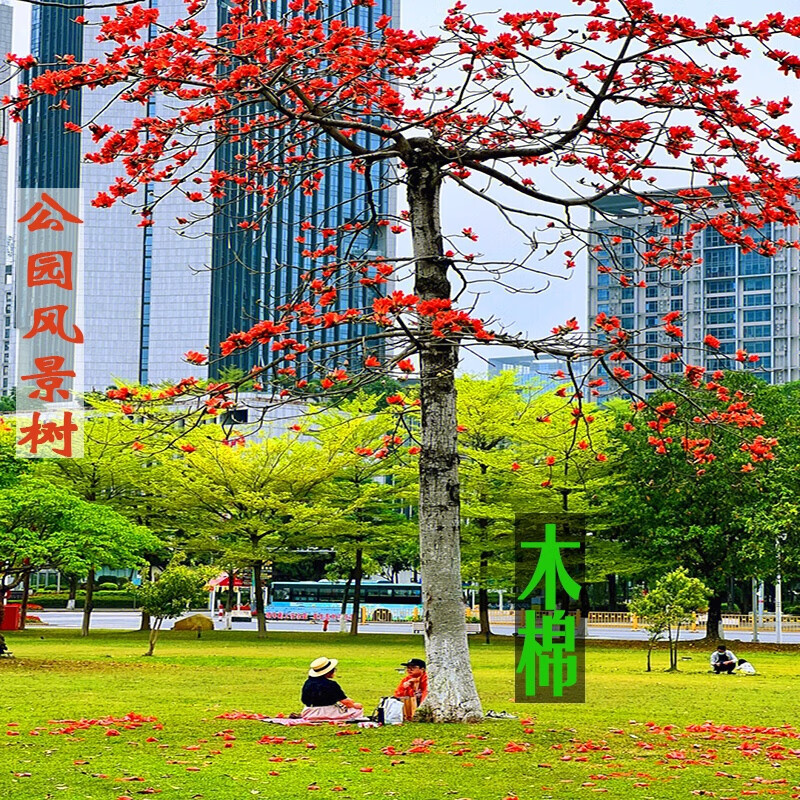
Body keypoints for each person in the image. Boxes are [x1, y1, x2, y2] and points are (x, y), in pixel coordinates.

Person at [299, 657, 365, 722]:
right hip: (327, 711)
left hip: (308, 712)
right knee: (357, 710)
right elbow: (346, 702)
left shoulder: (308, 682)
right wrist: (354, 705)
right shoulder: (331, 684)